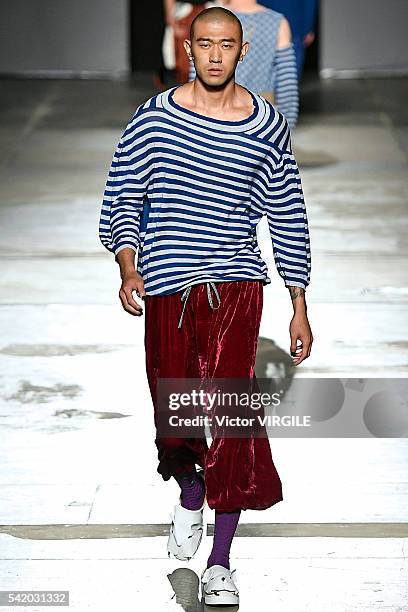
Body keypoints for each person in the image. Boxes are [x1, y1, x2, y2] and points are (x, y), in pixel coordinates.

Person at [99, 6, 313, 606]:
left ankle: (221, 561)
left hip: (236, 287)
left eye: (227, 45)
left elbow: (288, 214)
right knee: (179, 420)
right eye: (204, 44)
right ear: (186, 49)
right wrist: (127, 262)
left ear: (243, 51)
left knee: (231, 420)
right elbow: (121, 193)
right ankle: (190, 492)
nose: (216, 55)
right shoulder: (155, 119)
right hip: (169, 287)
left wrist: (298, 302)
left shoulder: (266, 125)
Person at [188, 0, 299, 128]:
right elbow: (287, 81)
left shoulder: (210, 21)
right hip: (261, 116)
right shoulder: (277, 22)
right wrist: (287, 124)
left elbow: (196, 72)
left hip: (213, 112)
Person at [259, 0, 317, 80]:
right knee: (290, 75)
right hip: (293, 23)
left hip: (267, 24)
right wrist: (308, 27)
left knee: (262, 75)